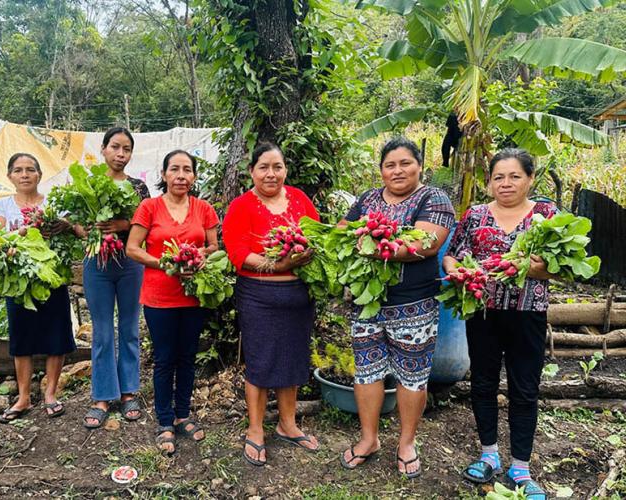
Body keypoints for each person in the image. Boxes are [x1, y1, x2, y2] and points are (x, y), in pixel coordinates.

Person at [337, 137, 454, 478]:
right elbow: (344, 232)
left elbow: (425, 243)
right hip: (367, 304)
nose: (398, 170)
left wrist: (376, 246)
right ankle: (369, 439)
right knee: (367, 371)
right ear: (381, 170)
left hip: (414, 304)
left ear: (420, 166)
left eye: (405, 163)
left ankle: (406, 443)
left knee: (412, 375)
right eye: (390, 165)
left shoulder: (434, 198)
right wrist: (360, 237)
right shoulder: (368, 198)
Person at [444, 148, 555, 499]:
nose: (505, 183)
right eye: (498, 177)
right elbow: (452, 254)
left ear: (530, 179)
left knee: (525, 388)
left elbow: (557, 266)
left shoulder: (546, 215)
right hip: (483, 313)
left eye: (514, 176)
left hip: (528, 314)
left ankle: (520, 466)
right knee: (484, 383)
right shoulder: (475, 215)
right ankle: (488, 454)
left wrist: (521, 266)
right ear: (489, 181)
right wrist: (456, 272)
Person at [222, 142, 321, 466]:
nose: (271, 173)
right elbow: (237, 252)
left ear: (285, 170)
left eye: (277, 167)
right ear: (252, 171)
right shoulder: (241, 206)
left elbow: (316, 235)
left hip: (297, 297)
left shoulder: (299, 200)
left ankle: (287, 424)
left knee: (293, 359)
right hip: (259, 296)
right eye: (264, 167)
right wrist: (274, 265)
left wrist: (307, 253)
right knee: (261, 361)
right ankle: (255, 429)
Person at [126, 150, 219, 455]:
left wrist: (200, 259)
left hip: (193, 296)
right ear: (164, 174)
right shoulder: (149, 207)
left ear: (194, 177)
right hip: (159, 296)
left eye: (187, 170)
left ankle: (183, 414)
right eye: (175, 169)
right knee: (165, 359)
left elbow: (213, 246)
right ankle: (165, 421)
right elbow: (132, 248)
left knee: (188, 356)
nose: (181, 175)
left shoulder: (204, 208)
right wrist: (165, 263)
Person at [0, 153, 76, 423]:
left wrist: (66, 225)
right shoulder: (2, 206)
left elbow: (74, 229)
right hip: (19, 281)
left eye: (30, 170)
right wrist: (26, 231)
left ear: (39, 175)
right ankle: (24, 397)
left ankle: (51, 393)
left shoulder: (52, 203)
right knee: (21, 338)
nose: (24, 174)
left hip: (52, 277)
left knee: (56, 335)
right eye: (18, 170)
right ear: (10, 177)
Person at [82, 127, 151, 429]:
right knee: (102, 330)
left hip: (130, 262)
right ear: (104, 149)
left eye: (126, 149)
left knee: (129, 327)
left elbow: (146, 222)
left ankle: (128, 392)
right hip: (97, 262)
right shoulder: (88, 183)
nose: (120, 154)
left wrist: (121, 223)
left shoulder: (138, 188)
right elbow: (78, 223)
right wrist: (87, 227)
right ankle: (102, 396)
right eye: (115, 147)